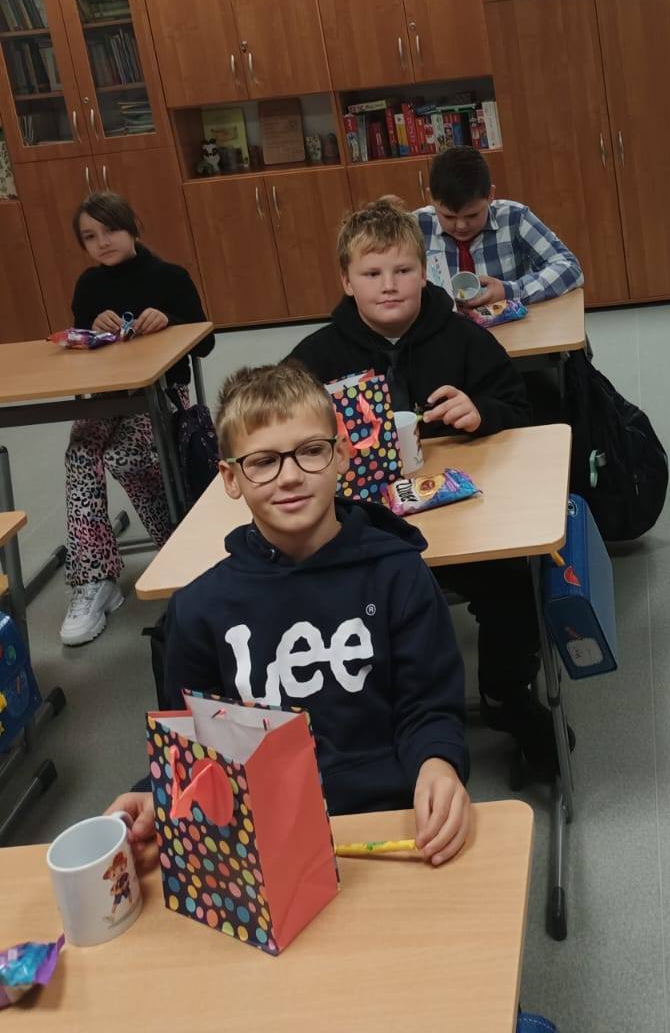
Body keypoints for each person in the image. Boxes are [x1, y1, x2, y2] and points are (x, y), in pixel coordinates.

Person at [108, 361, 470, 872]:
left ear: (341, 454)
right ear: (231, 478)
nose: (291, 475)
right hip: (260, 836)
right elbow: (194, 746)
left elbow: (429, 708)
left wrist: (438, 764)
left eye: (311, 451)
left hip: (388, 820)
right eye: (263, 462)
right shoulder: (199, 609)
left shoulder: (399, 575)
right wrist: (155, 794)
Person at [288, 196, 569, 778]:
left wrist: (482, 410)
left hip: (464, 524)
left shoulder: (462, 338)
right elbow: (279, 433)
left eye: (403, 270)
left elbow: (518, 408)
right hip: (361, 533)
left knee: (514, 583)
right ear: (347, 281)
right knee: (332, 598)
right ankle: (380, 714)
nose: (389, 285)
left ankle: (506, 694)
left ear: (426, 272)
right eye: (372, 274)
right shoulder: (315, 357)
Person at [60, 192, 212, 648]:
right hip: (108, 397)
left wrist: (170, 320)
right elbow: (78, 341)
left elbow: (204, 342)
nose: (102, 242)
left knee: (128, 453)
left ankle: (175, 551)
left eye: (110, 230)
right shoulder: (89, 284)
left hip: (161, 394)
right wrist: (91, 328)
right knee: (80, 452)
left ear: (133, 228)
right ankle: (95, 578)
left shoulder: (169, 276)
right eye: (90, 236)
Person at [415, 145, 582, 310]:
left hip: (512, 323)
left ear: (490, 195)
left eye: (472, 215)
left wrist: (509, 291)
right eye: (448, 217)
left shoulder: (513, 217)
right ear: (430, 198)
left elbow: (569, 267)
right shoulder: (415, 226)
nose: (461, 226)